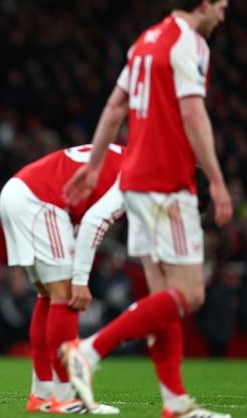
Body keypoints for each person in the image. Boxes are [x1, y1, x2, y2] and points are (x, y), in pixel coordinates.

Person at [61, 2, 233, 418]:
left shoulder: (145, 42)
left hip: (135, 181)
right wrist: (216, 178)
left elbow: (115, 106)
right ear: (205, 3)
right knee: (190, 293)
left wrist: (96, 164)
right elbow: (193, 113)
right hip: (166, 182)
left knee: (163, 297)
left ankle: (175, 402)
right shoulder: (189, 43)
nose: (224, 16)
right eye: (223, 6)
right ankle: (89, 350)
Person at [0, 144, 124, 414]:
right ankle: (66, 396)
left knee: (49, 294)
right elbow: (94, 222)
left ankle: (42, 393)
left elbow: (82, 218)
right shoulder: (143, 176)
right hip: (40, 201)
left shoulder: (127, 157)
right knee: (65, 295)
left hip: (20, 191)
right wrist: (80, 278)